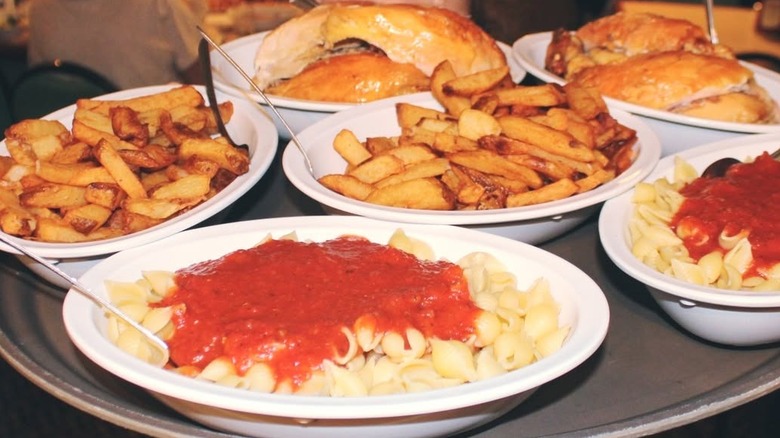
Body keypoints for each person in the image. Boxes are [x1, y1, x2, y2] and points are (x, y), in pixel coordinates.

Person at [26, 0, 207, 89]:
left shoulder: (37, 9)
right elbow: (206, 77)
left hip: (73, 132)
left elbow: (40, 82)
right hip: (155, 133)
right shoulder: (157, 4)